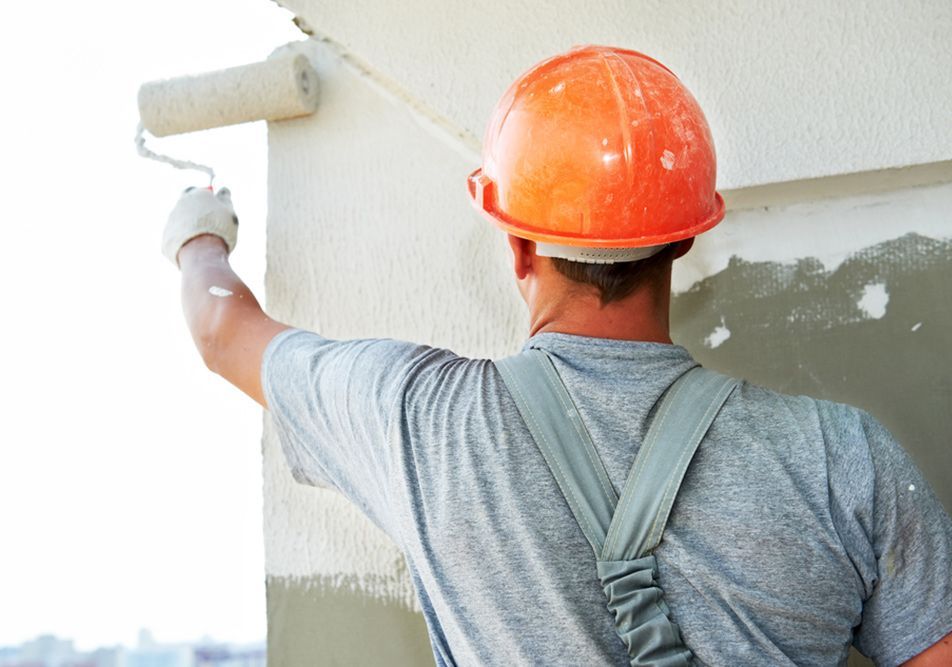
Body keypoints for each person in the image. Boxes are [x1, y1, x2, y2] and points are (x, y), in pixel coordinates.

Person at [162, 46, 952, 665]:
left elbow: (221, 330)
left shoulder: (422, 421)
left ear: (516, 246)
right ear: (684, 238)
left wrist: (200, 232)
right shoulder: (842, 456)